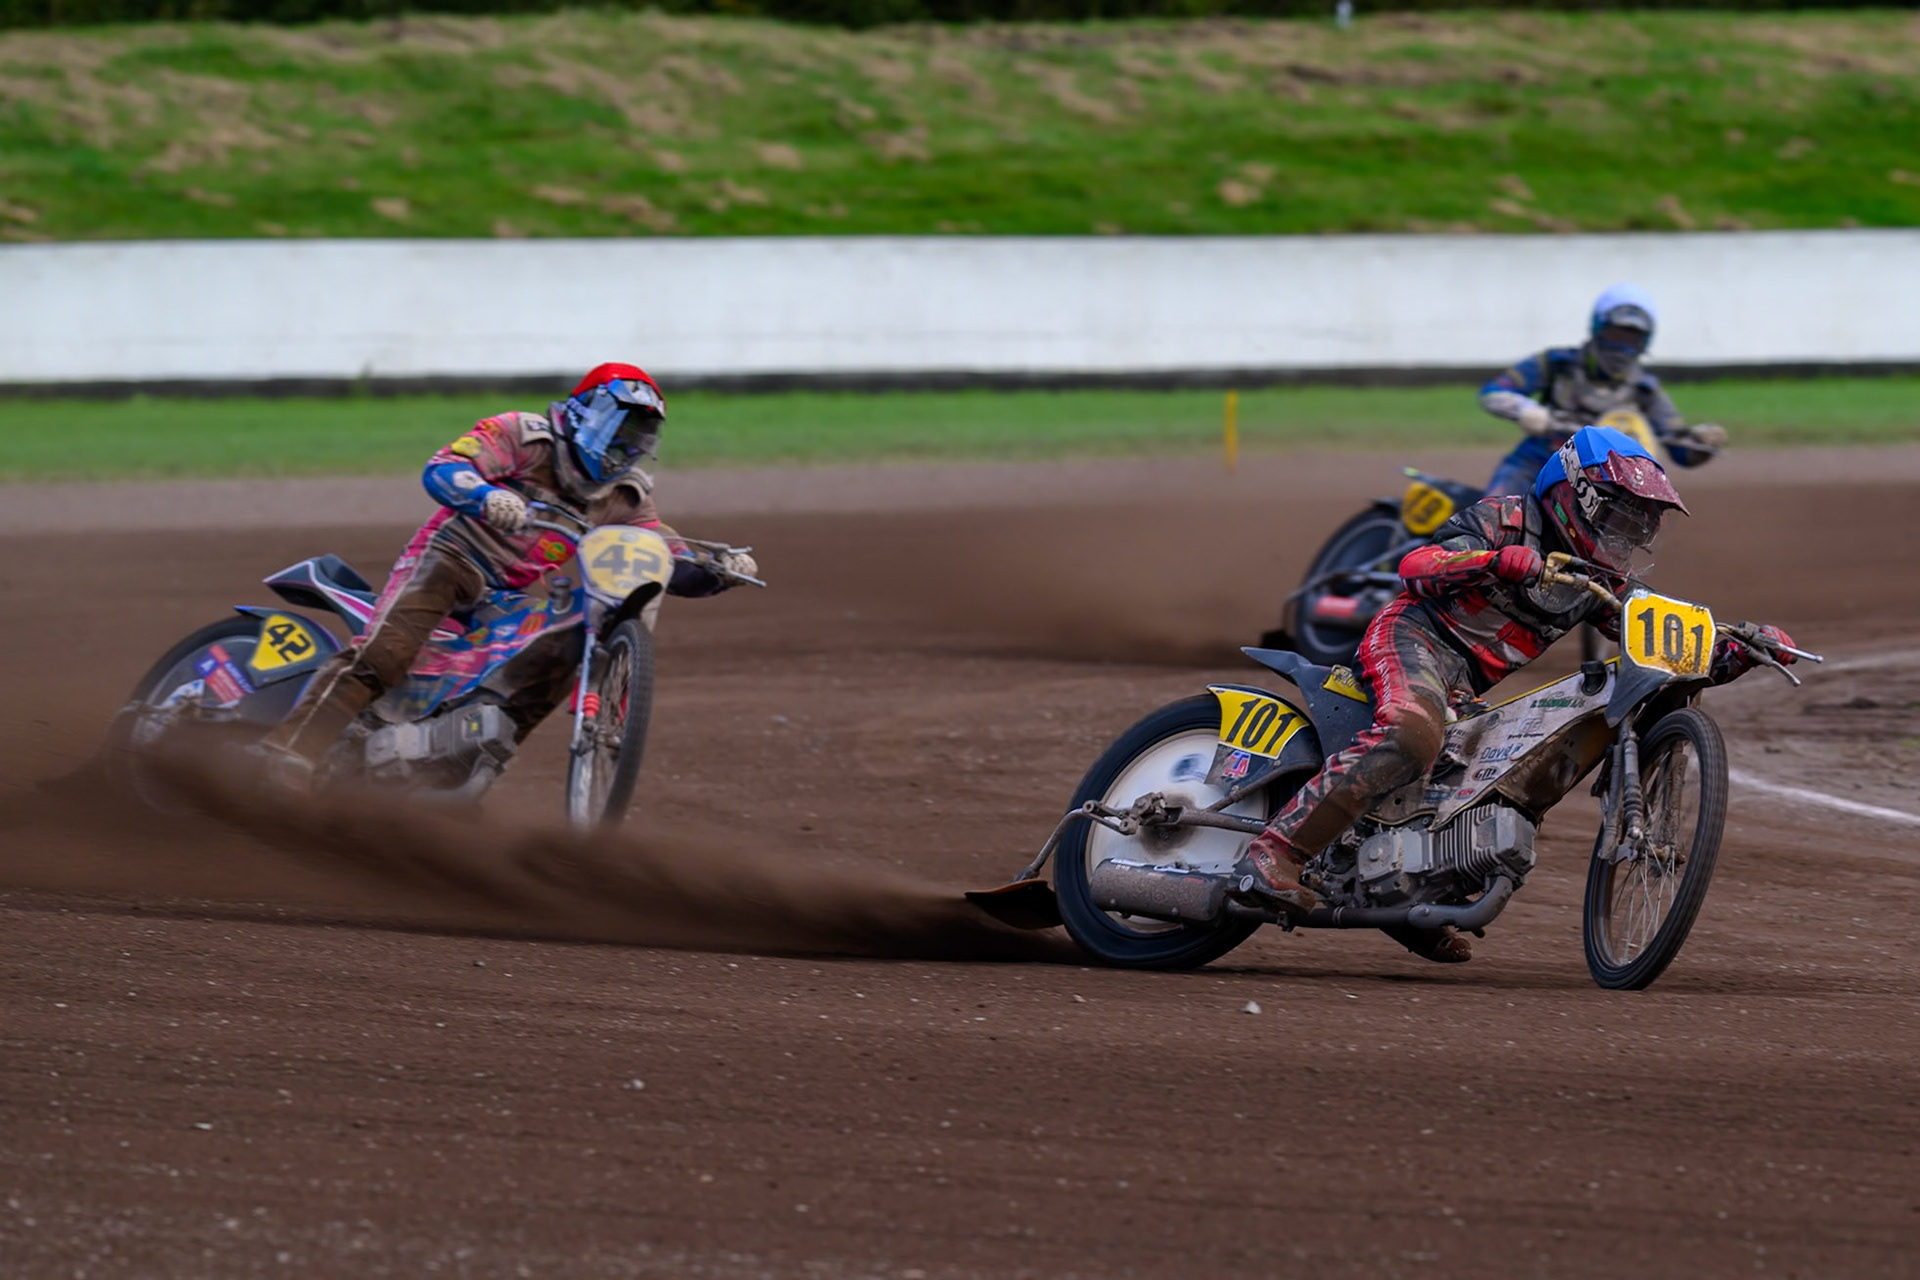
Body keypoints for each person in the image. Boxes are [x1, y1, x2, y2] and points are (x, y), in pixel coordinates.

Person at [1230, 426, 1794, 962]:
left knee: (1505, 779)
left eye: (1639, 523)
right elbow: (1416, 566)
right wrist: (1496, 560)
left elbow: (1660, 643)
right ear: (1578, 497)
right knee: (1410, 733)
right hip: (1414, 637)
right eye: (1620, 516)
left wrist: (1740, 648)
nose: (1627, 534)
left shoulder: (1599, 581)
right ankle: (1274, 853)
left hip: (1465, 686)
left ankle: (1404, 904)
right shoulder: (1507, 518)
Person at [258, 362, 754, 781]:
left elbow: (660, 550)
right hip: (448, 558)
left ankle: (451, 767)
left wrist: (720, 567)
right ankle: (285, 755)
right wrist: (483, 494)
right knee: (383, 657)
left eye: (635, 441)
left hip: (505, 594)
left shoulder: (625, 495)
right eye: (616, 432)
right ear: (583, 414)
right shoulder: (523, 434)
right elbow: (444, 466)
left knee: (557, 651)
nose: (621, 449)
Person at [1479, 284, 1727, 496]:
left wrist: (1701, 442)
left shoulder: (1646, 390)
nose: (1621, 347)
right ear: (1598, 328)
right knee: (1494, 515)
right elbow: (1493, 392)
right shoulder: (1556, 363)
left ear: (1645, 342)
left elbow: (1678, 447)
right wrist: (1526, 411)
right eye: (1615, 334)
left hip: (1599, 484)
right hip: (1537, 463)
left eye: (1632, 339)